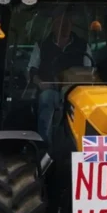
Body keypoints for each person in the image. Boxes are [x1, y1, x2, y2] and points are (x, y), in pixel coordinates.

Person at [27, 13, 92, 143]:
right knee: (46, 99)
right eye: (60, 23)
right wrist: (40, 83)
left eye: (67, 23)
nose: (64, 26)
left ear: (72, 25)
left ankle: (80, 146)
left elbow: (90, 72)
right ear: (53, 26)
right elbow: (31, 70)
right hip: (51, 90)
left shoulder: (83, 45)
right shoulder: (41, 45)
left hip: (76, 93)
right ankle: (44, 145)